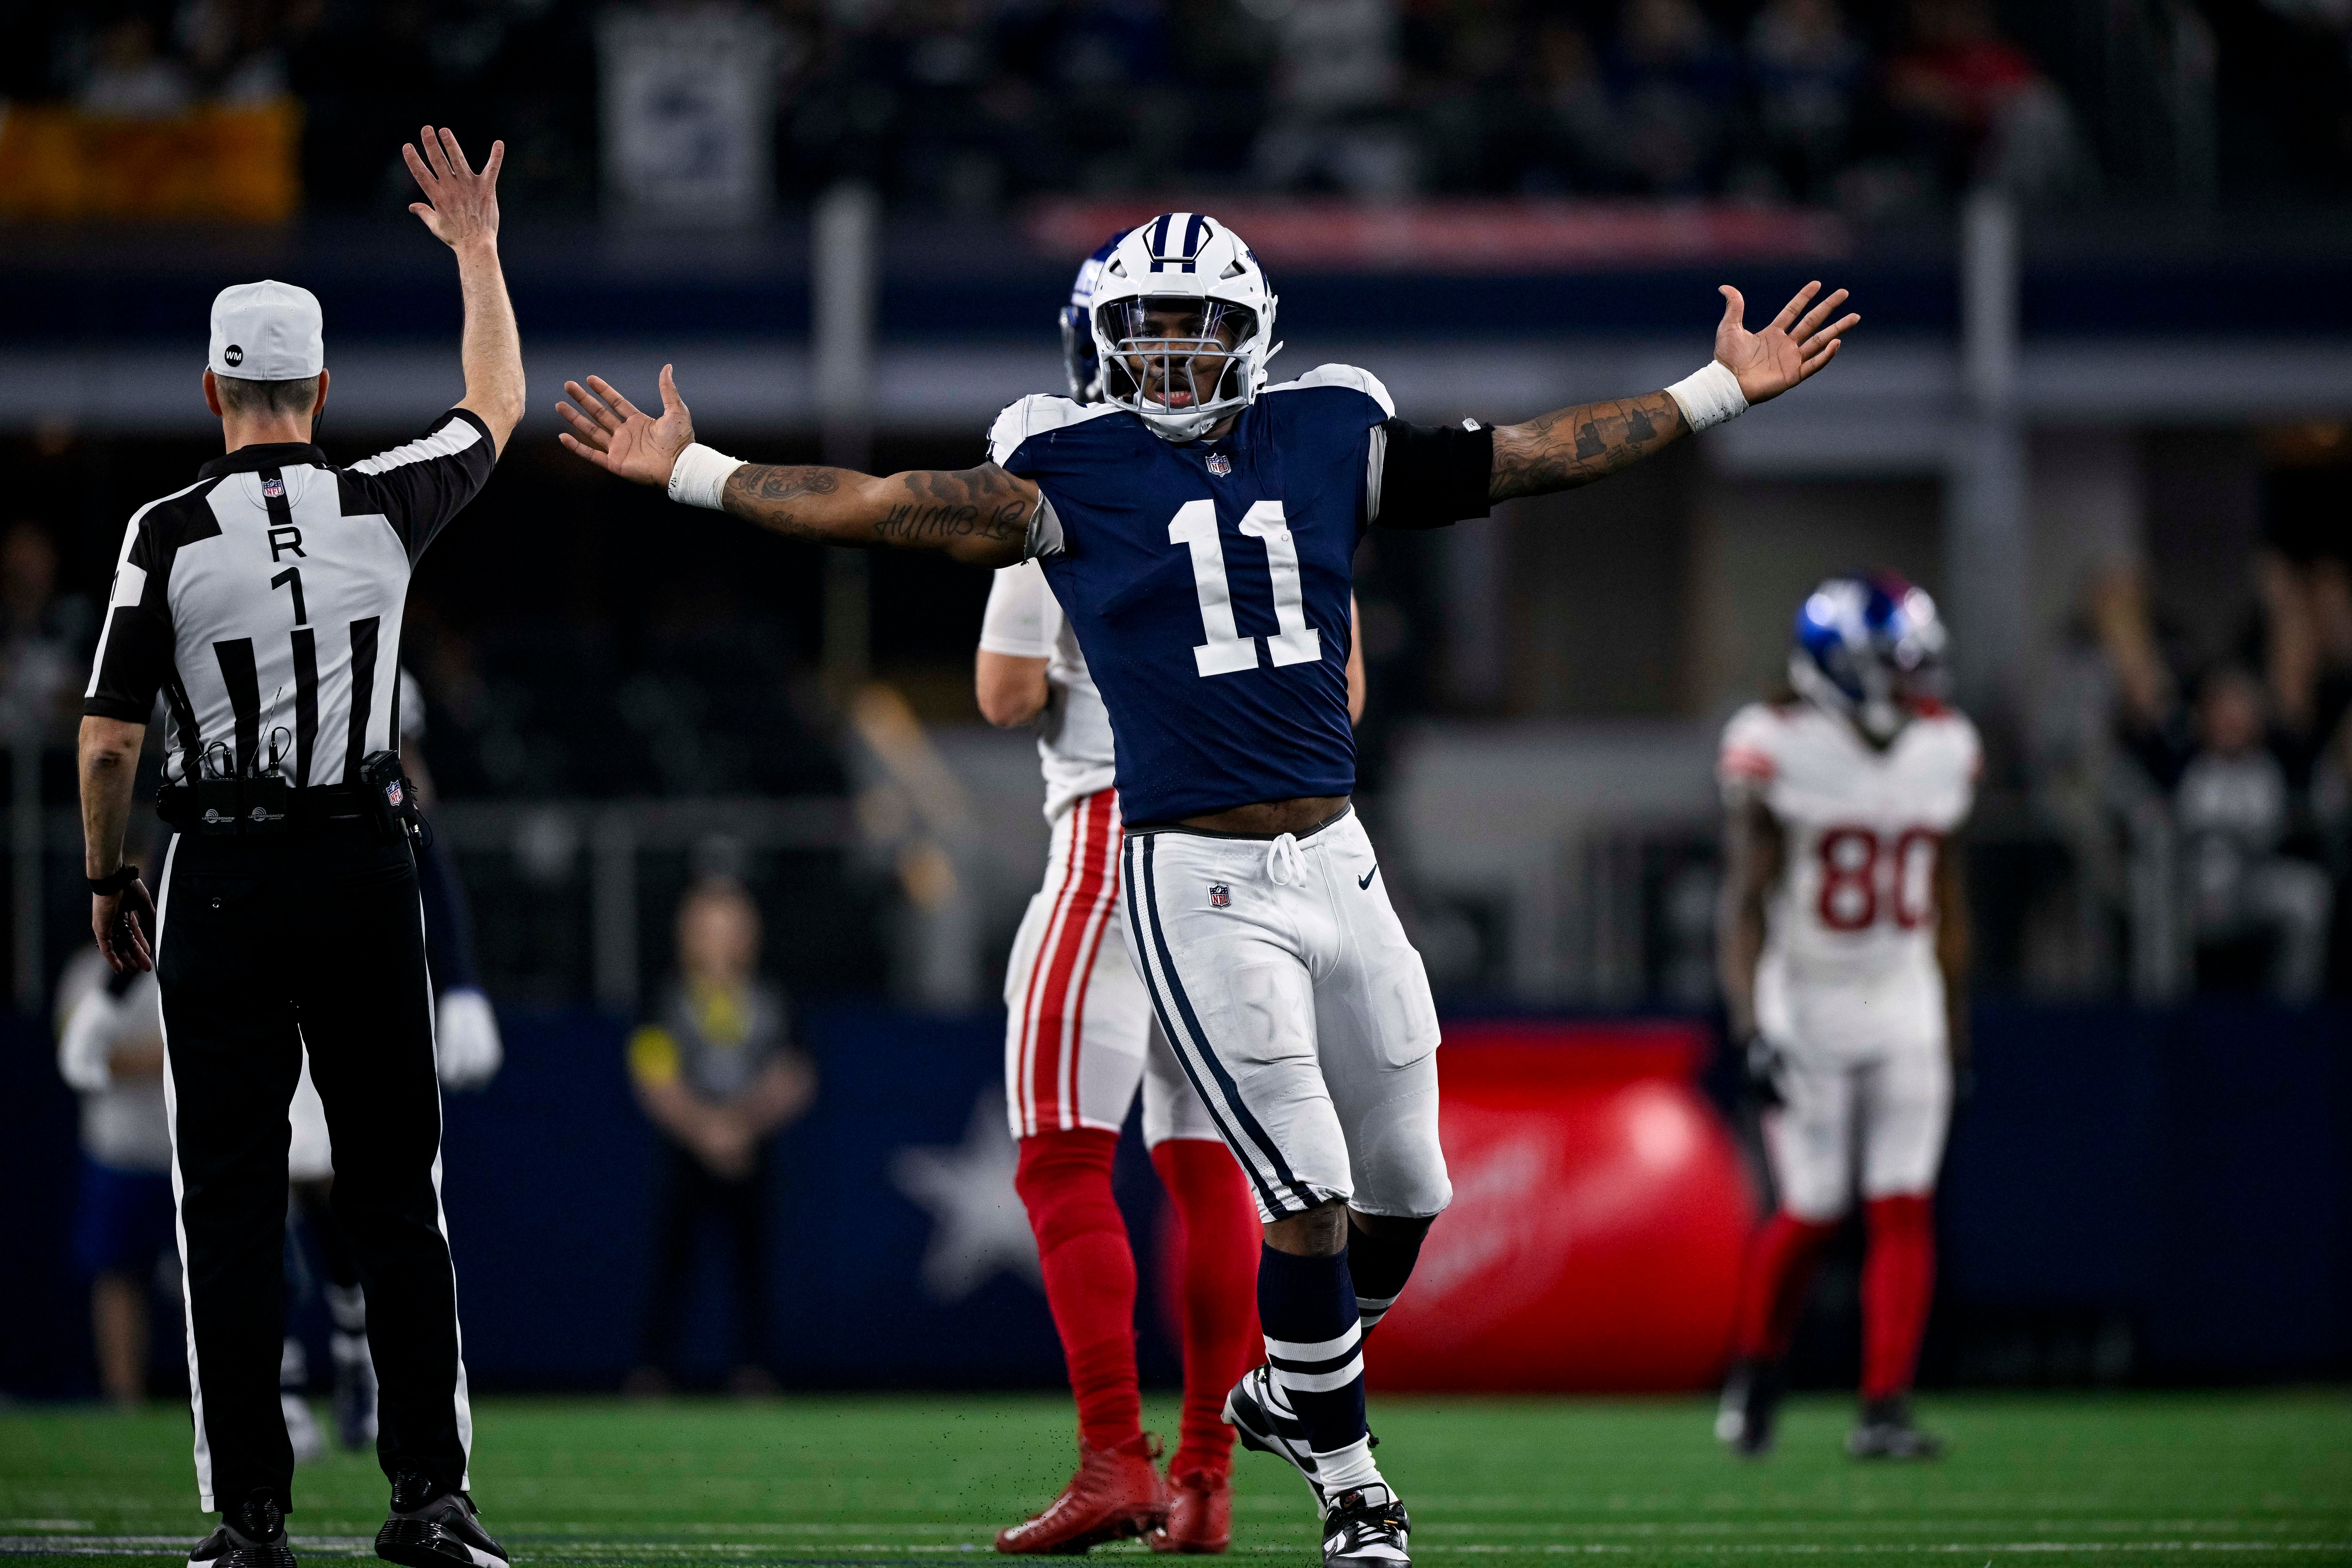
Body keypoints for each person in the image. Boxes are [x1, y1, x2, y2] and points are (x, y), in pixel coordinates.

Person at [556, 211, 1856, 1567]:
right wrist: (694, 470)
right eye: (1147, 331)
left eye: (1197, 328)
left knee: (1406, 1194)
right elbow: (884, 508)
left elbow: (1530, 455)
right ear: (1109, 344)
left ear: (1253, 333)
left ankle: (1285, 1394)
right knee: (1295, 1194)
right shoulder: (1067, 466)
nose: (1172, 358)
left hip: (1340, 861)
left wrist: (1717, 392)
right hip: (1192, 874)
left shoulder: (1328, 437)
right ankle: (1355, 1495)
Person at [76, 127, 522, 1568]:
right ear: (321, 390)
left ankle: (250, 1518)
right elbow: (495, 404)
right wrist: (475, 251)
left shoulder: (164, 530)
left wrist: (105, 875)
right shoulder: (382, 502)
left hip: (225, 874)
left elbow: (105, 739)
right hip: (360, 866)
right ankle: (429, 1501)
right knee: (398, 1195)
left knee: (232, 1199)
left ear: (214, 391)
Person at [969, 236, 1359, 1557]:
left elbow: (1006, 693)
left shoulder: (1057, 453)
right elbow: (1343, 698)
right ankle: (1204, 1476)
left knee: (1064, 1156)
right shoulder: (1300, 465)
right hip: (1247, 866)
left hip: (1109, 831)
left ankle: (1110, 1458)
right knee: (1210, 1178)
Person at [1713, 573, 1977, 1461]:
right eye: (1895, 667)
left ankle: (1885, 1409)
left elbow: (1945, 888)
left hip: (1905, 995)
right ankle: (1756, 1376)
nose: (1914, 685)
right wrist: (1752, 1028)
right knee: (1816, 1210)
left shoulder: (1943, 748)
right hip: (1809, 999)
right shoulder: (1776, 744)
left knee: (1904, 1203)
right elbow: (1746, 902)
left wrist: (1957, 1016)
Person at [281, 666, 505, 1458]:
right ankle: (280, 1378)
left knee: (356, 1176)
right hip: (272, 949)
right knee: (268, 1174)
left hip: (361, 968)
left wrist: (462, 982)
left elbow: (418, 826)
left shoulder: (375, 663)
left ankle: (355, 1349)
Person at [625, 879, 815, 1395]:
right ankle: (654, 1372)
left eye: (730, 926)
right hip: (684, 1151)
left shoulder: (772, 996)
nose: (717, 939)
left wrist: (742, 1126)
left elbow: (795, 1073)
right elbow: (652, 1075)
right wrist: (705, 1129)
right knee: (672, 1261)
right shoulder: (666, 996)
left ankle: (755, 1371)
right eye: (705, 927)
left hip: (754, 1152)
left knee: (754, 1264)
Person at [56, 872, 174, 1407]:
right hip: (118, 1151)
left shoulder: (182, 963)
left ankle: (227, 1391)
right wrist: (165, 1058)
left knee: (215, 1274)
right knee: (119, 1276)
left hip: (183, 1154)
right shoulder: (89, 970)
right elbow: (80, 1053)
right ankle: (123, 1394)